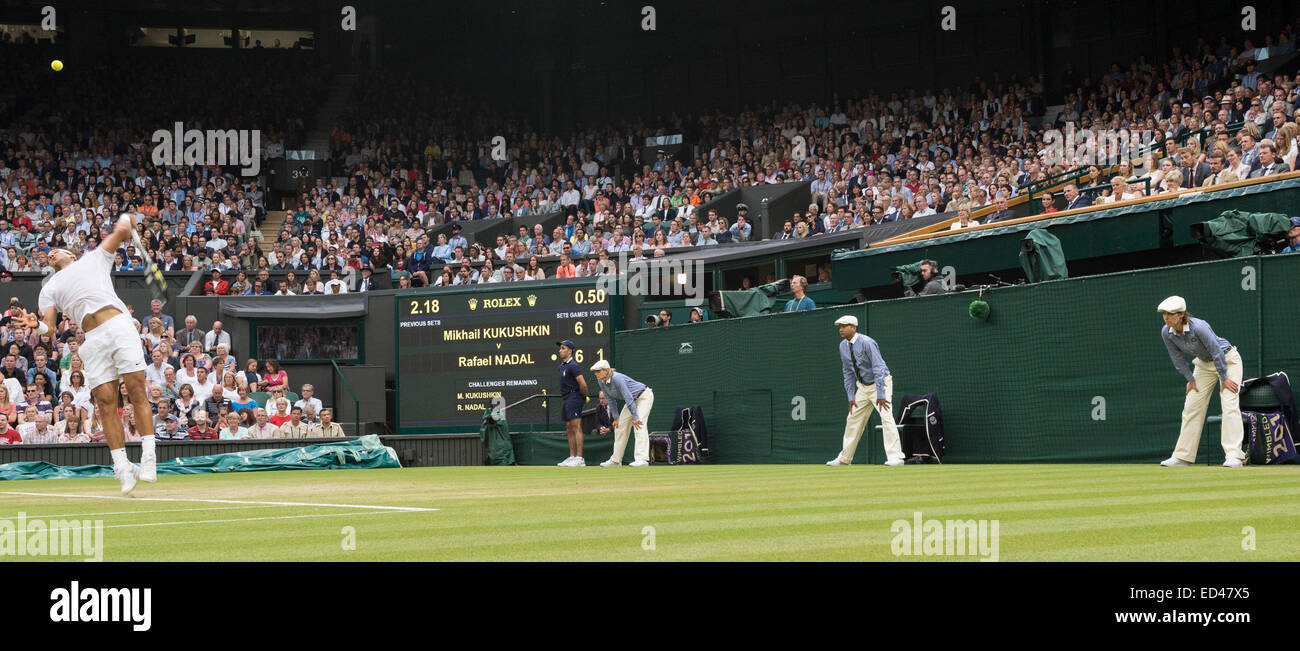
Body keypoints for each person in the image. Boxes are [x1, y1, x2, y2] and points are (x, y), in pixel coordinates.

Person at [23, 213, 157, 493]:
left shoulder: (95, 257)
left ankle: (148, 457)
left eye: (56, 249)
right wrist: (37, 325)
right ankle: (122, 467)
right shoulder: (49, 289)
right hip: (92, 340)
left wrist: (127, 220)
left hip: (119, 327)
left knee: (135, 391)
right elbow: (48, 328)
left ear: (71, 255)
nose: (51, 253)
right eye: (49, 252)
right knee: (105, 403)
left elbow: (123, 226)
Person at [1156, 296, 1246, 468]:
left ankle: (1234, 456)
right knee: (1191, 406)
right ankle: (1182, 456)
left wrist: (1224, 378)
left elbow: (1216, 351)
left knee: (1229, 404)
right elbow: (1177, 358)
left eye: (1170, 314)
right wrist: (1190, 379)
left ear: (1181, 314)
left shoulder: (1199, 327)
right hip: (1203, 365)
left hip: (1227, 361)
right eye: (1164, 314)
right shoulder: (1166, 332)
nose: (1166, 317)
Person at [827, 315, 904, 466]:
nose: (841, 329)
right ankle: (844, 459)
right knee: (852, 419)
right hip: (862, 387)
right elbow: (848, 372)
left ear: (854, 328)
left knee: (886, 416)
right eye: (840, 327)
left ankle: (896, 457)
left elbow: (878, 368)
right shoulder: (842, 346)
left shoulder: (868, 343)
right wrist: (851, 397)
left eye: (844, 326)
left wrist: (881, 393)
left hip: (880, 383)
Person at [591, 360, 653, 467]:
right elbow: (610, 400)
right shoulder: (601, 381)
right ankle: (616, 461)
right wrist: (616, 418)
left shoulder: (617, 378)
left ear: (606, 371)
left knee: (639, 425)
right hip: (631, 401)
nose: (595, 373)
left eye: (598, 371)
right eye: (595, 371)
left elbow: (627, 396)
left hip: (644, 396)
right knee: (619, 427)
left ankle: (642, 459)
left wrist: (635, 416)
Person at [555, 340, 589, 467]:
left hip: (574, 397)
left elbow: (583, 384)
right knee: (569, 428)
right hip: (566, 398)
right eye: (560, 348)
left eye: (563, 348)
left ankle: (580, 458)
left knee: (576, 427)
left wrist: (582, 397)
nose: (560, 350)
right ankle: (572, 456)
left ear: (570, 351)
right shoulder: (562, 366)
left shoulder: (573, 366)